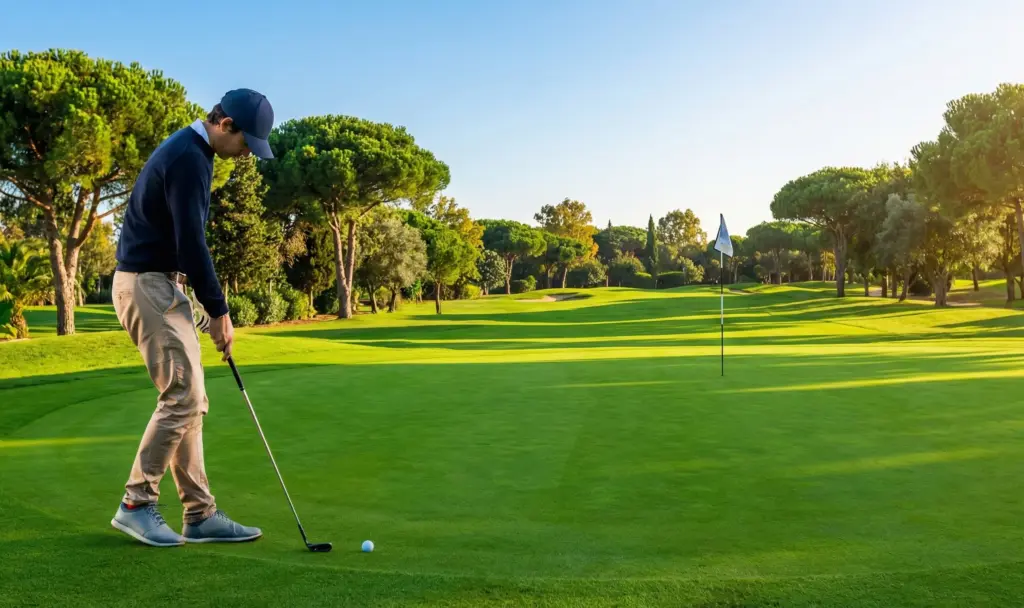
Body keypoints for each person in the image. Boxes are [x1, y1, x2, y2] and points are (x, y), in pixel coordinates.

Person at [109, 89, 275, 547]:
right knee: (183, 396)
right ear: (226, 125)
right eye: (246, 143)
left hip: (160, 283)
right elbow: (191, 242)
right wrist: (219, 310)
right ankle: (136, 504)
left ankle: (199, 514)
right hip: (146, 283)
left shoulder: (192, 152)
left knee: (192, 400)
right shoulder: (189, 157)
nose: (246, 154)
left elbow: (183, 245)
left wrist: (194, 302)